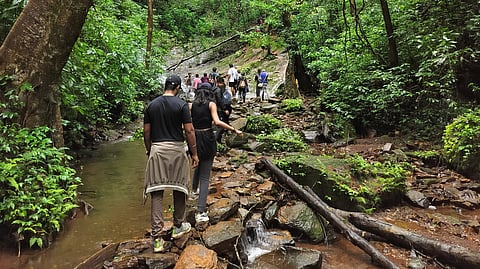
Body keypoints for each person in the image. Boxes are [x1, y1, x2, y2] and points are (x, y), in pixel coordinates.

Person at [143, 74, 199, 253]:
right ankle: (177, 226)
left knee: (157, 192)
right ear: (177, 88)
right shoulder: (181, 105)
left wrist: (149, 149)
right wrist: (194, 153)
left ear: (165, 86)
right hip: (176, 150)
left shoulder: (151, 105)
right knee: (179, 188)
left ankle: (157, 239)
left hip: (157, 150)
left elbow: (146, 131)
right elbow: (189, 131)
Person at [189, 82, 242, 225]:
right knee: (205, 176)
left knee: (197, 163)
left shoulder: (190, 105)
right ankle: (200, 211)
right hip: (207, 137)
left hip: (194, 138)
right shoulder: (211, 104)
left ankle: (193, 191)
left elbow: (187, 124)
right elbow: (217, 122)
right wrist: (233, 129)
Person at [213, 77, 232, 143]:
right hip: (220, 109)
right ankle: (216, 139)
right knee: (221, 125)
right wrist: (224, 109)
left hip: (217, 108)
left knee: (223, 122)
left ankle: (220, 138)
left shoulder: (214, 89)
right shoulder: (218, 90)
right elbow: (220, 100)